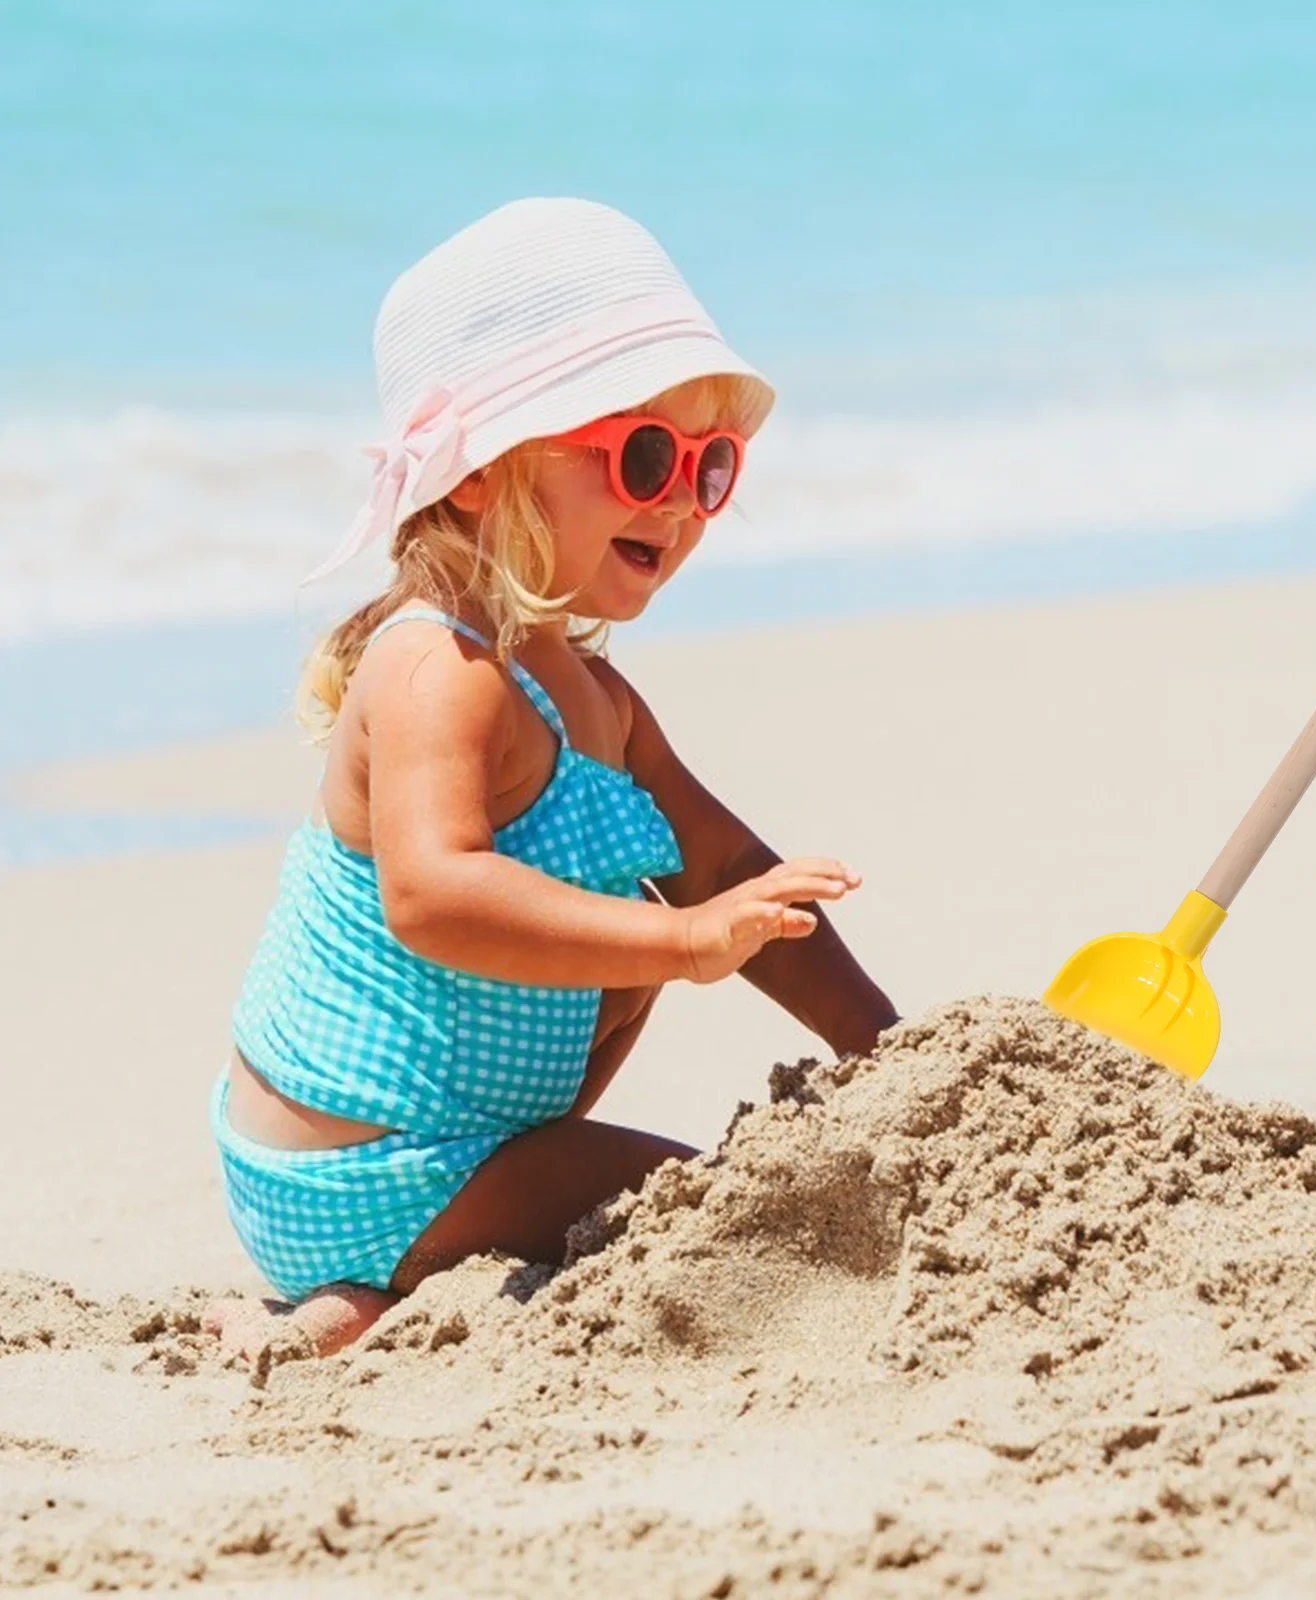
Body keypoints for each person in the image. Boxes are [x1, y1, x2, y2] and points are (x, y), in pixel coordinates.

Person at [205, 199, 899, 1362]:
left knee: (655, 904)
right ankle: (391, 1270)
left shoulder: (590, 692)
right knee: (706, 1206)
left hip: (447, 1131)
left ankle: (387, 1296)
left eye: (709, 466)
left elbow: (727, 867)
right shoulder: (440, 670)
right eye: (641, 455)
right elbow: (433, 896)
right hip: (357, 1161)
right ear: (478, 476)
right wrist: (689, 944)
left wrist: (880, 1045)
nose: (678, 502)